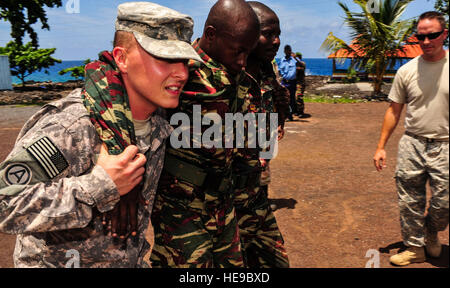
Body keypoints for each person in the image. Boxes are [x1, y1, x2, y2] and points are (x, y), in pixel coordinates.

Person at [0, 2, 201, 268]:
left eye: (184, 62)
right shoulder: (71, 127)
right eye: (165, 59)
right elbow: (5, 202)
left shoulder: (157, 124)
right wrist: (100, 185)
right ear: (121, 58)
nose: (181, 73)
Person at [150, 0, 260, 268]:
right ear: (211, 35)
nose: (243, 61)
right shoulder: (180, 69)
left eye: (249, 52)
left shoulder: (237, 76)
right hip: (181, 206)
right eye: (239, 51)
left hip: (223, 201)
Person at [373, 11, 448, 266]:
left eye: (433, 36)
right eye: (421, 36)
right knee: (409, 201)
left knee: (444, 202)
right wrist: (381, 146)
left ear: (444, 35)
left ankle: (430, 232)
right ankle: (414, 247)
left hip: (446, 145)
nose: (426, 42)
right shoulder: (406, 71)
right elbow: (394, 110)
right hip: (412, 143)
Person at [232, 1, 290, 268]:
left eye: (278, 34)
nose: (276, 41)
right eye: (268, 34)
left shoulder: (266, 70)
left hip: (255, 192)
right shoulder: (222, 76)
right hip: (222, 202)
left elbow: (272, 104)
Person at [278, 45, 298, 120]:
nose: (288, 52)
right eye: (287, 50)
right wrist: (283, 76)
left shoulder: (294, 60)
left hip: (292, 82)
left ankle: (290, 115)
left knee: (292, 99)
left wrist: (296, 57)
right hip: (284, 82)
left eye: (290, 50)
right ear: (284, 51)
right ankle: (286, 114)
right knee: (285, 99)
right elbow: (280, 71)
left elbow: (301, 64)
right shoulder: (282, 60)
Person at [293, 52, 309, 118]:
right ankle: (296, 110)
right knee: (293, 97)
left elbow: (301, 67)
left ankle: (300, 111)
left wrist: (296, 59)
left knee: (298, 97)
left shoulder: (302, 63)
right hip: (294, 83)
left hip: (300, 83)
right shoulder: (294, 64)